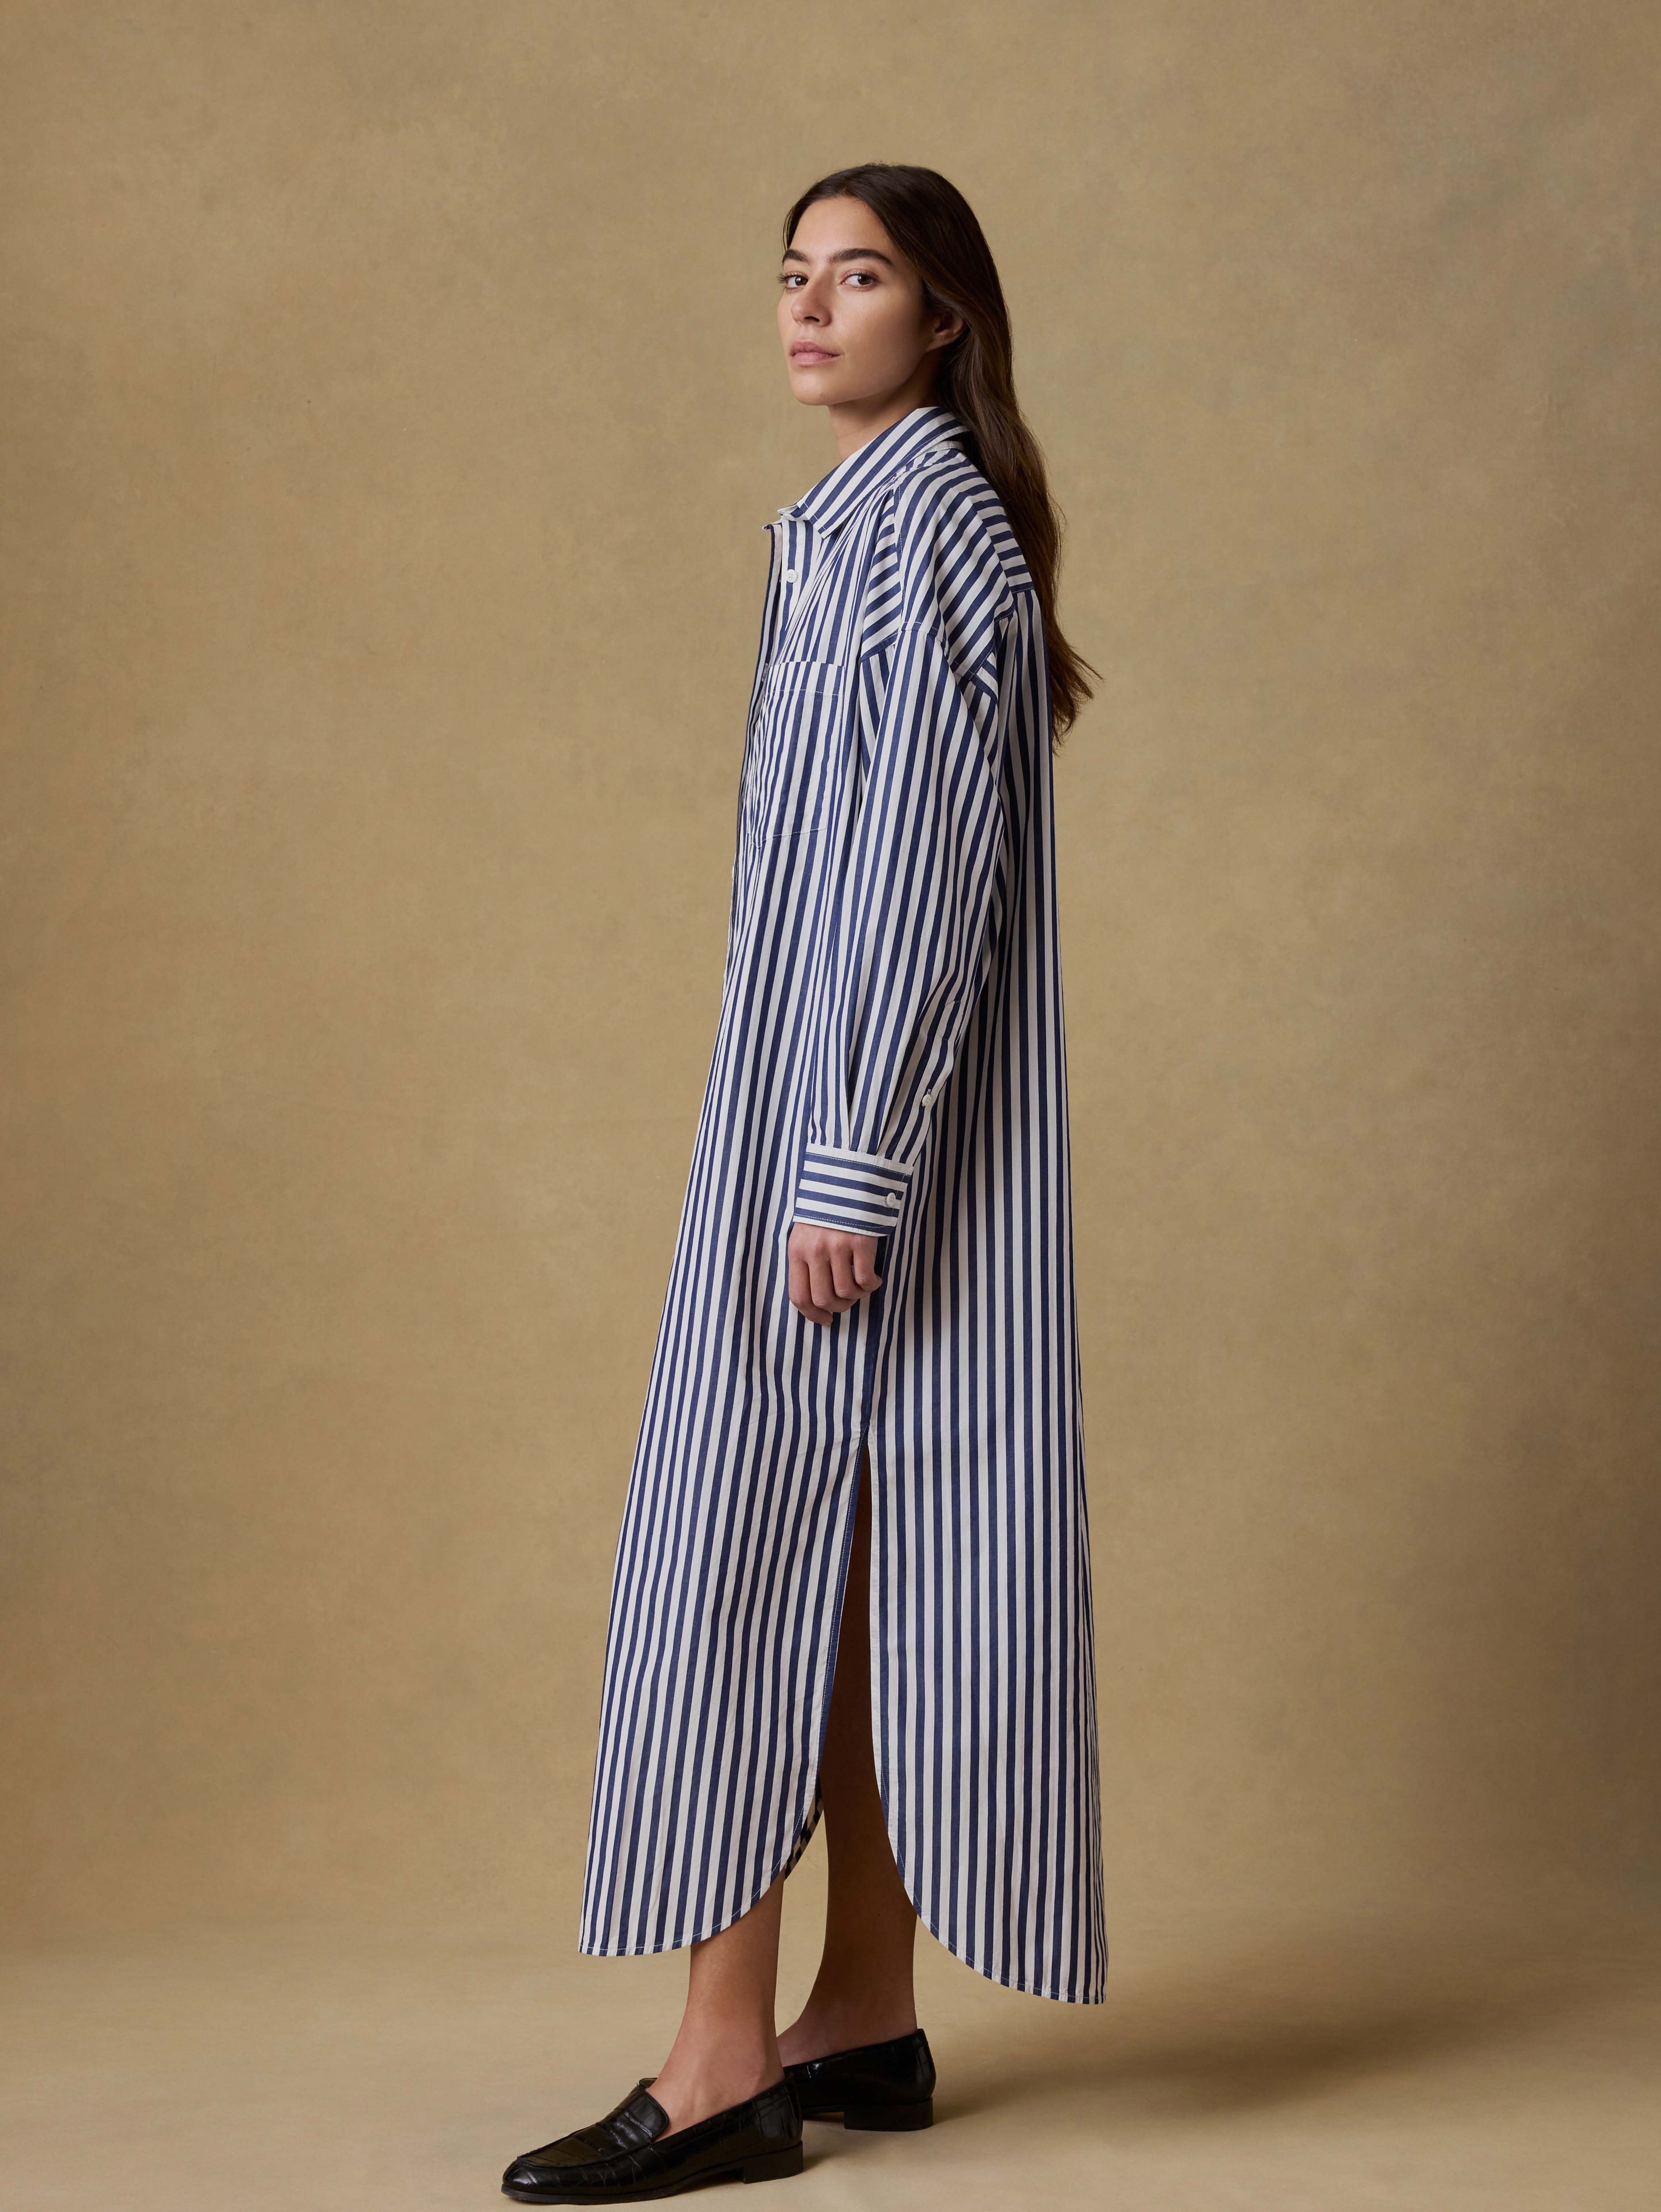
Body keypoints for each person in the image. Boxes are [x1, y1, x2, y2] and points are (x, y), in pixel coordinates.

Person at [503, 162, 1107, 2206]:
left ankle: (717, 2060)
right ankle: (865, 2006)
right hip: (840, 1122)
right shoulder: (882, 525)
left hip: (854, 1145)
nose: (811, 307)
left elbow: (926, 879)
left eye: (861, 277)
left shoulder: (918, 530)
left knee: (739, 1554)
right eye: (795, 274)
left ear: (944, 317)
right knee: (862, 1558)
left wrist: (841, 1161)